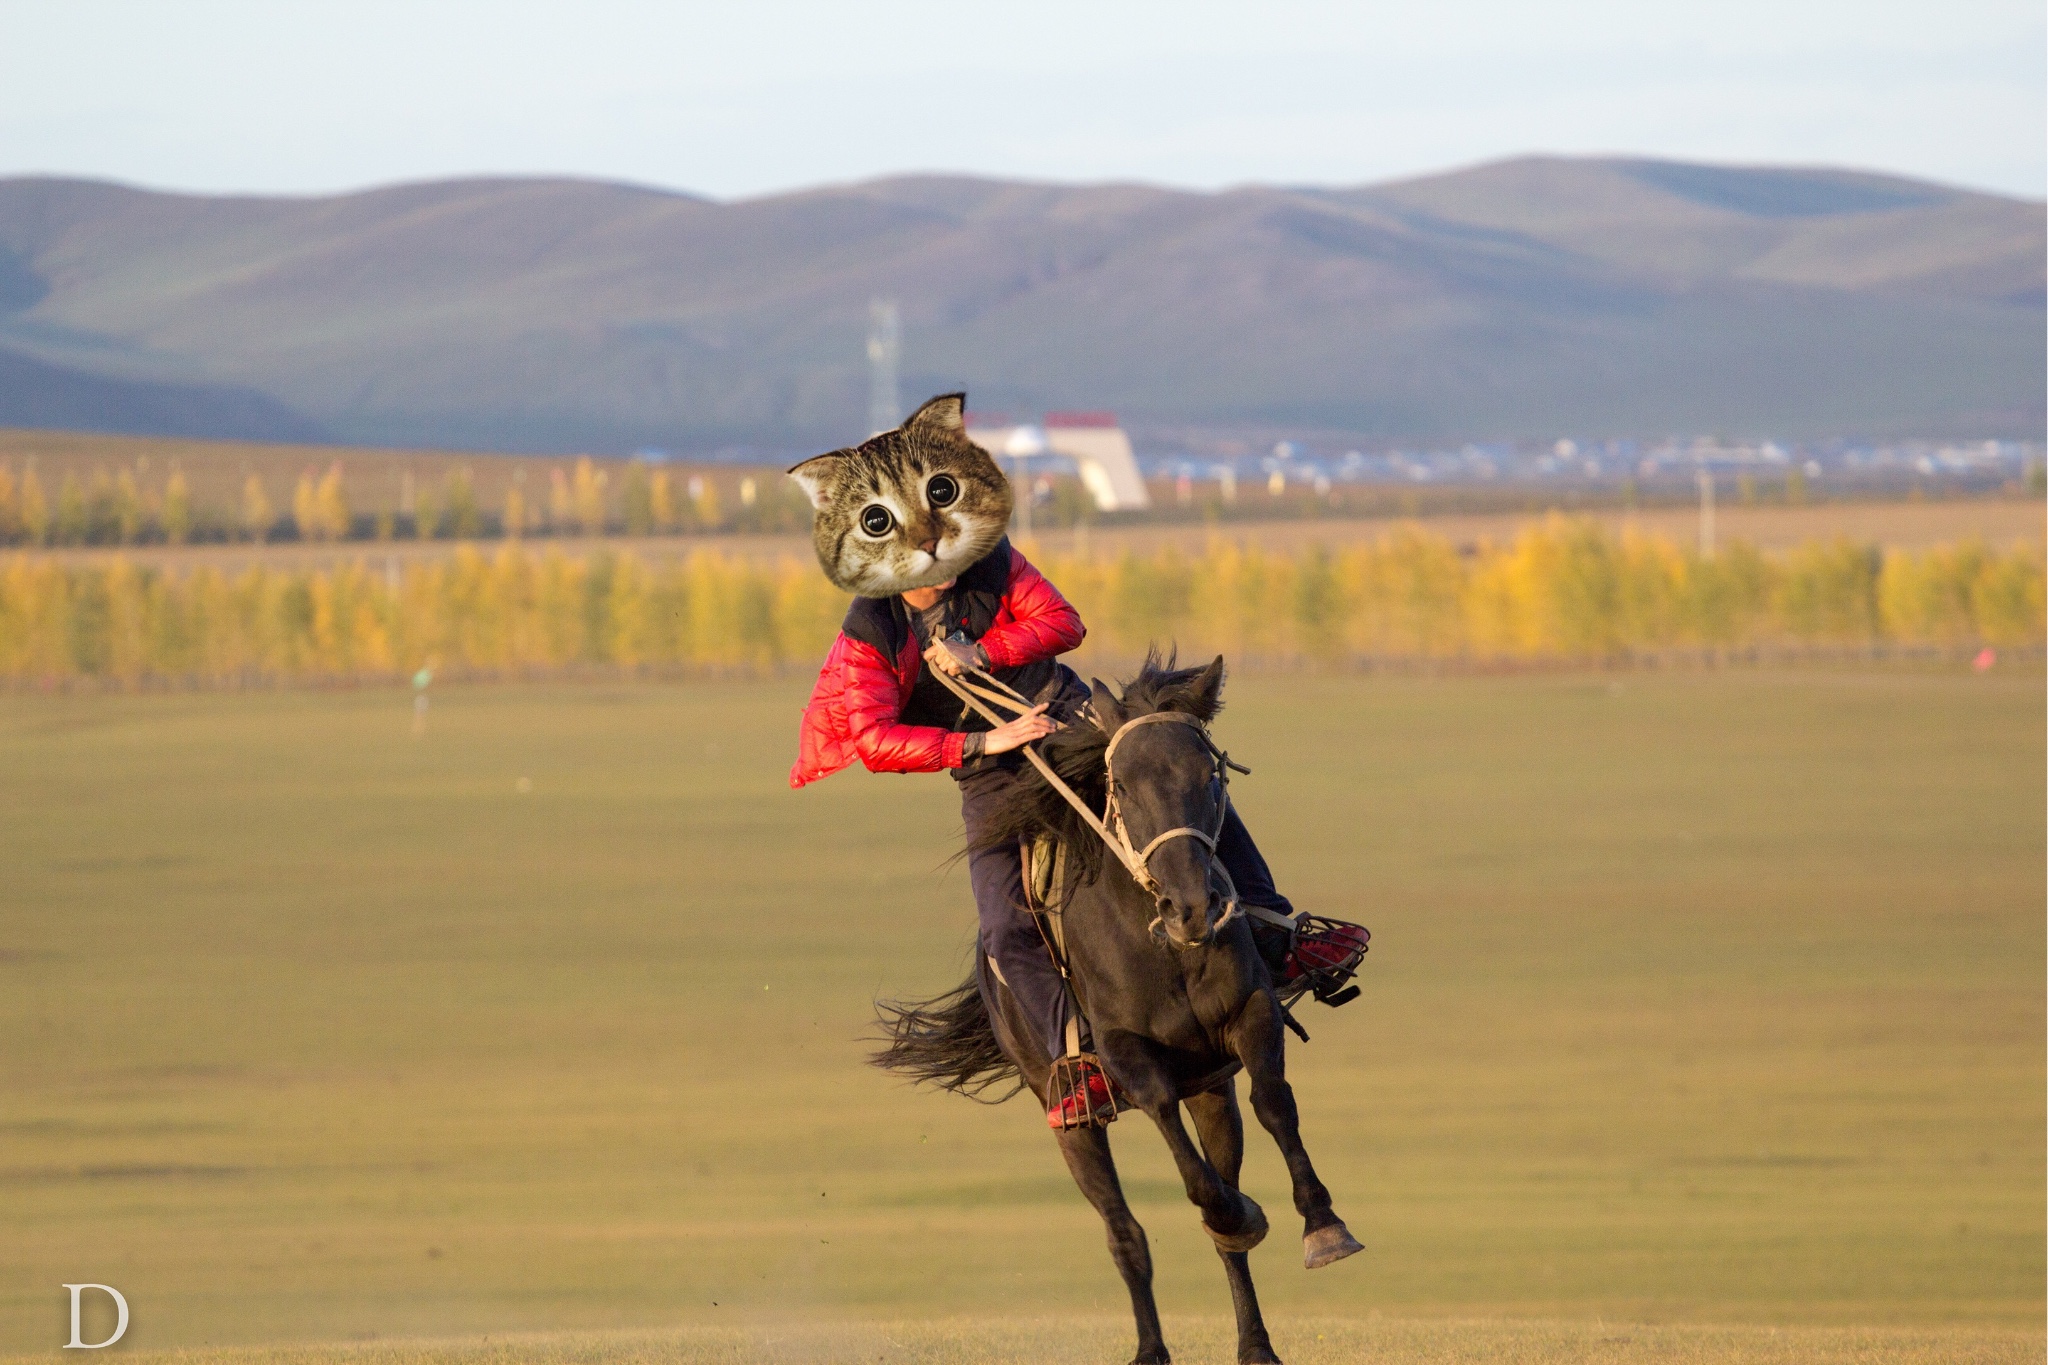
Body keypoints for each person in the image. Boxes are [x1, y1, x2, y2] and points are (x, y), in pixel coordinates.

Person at [791, 536, 1315, 1127]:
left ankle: (1277, 930)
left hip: (1070, 717)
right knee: (1003, 923)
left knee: (1180, 787)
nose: (939, 556)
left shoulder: (990, 561)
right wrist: (984, 741)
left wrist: (984, 652)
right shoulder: (872, 628)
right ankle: (1076, 1058)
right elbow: (873, 739)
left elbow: (1065, 624)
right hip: (987, 768)